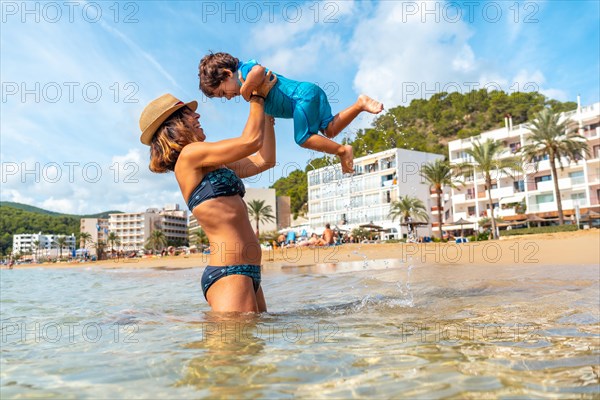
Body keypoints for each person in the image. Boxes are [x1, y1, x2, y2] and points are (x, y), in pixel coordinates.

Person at [139, 72, 277, 313]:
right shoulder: (190, 156)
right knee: (236, 350)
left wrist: (267, 116)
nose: (197, 115)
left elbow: (264, 160)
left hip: (247, 271)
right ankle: (149, 317)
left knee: (254, 347)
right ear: (173, 125)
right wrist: (257, 96)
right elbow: (250, 141)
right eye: (188, 113)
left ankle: (153, 318)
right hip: (229, 271)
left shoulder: (214, 162)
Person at [198, 52, 384, 173]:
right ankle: (360, 104)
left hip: (301, 97)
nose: (228, 98)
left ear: (227, 74)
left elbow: (259, 70)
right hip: (308, 95)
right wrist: (266, 112)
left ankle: (343, 151)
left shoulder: (243, 72)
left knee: (302, 138)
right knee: (329, 131)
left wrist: (246, 89)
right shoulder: (253, 90)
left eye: (223, 93)